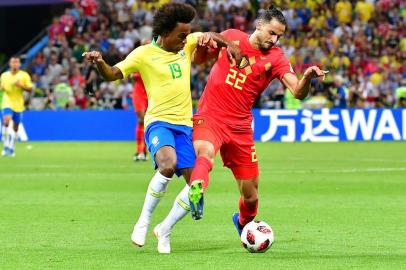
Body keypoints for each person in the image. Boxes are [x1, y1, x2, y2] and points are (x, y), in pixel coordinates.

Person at [82, 2, 240, 254]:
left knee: (196, 184)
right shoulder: (143, 54)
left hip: (185, 126)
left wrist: (228, 44)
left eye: (188, 34)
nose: (186, 39)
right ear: (165, 33)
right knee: (168, 164)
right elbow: (112, 73)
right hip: (158, 122)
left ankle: (165, 229)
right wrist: (100, 61)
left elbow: (211, 36)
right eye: (181, 35)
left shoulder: (186, 43)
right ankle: (143, 221)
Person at [186, 7, 327, 233]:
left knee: (251, 196)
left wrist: (308, 78)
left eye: (279, 36)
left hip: (241, 128)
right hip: (211, 116)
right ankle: (197, 190)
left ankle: (242, 223)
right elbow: (199, 60)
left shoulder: (277, 57)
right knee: (205, 152)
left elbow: (297, 92)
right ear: (259, 25)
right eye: (272, 33)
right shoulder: (231, 36)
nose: (274, 39)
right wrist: (204, 43)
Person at [1, 56, 33, 157]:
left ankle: (12, 147)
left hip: (18, 104)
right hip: (7, 102)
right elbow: (2, 87)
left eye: (17, 62)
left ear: (19, 64)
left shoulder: (24, 75)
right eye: (13, 62)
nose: (15, 64)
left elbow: (30, 89)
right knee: (6, 121)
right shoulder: (4, 75)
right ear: (10, 64)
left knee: (16, 127)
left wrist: (21, 86)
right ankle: (5, 146)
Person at [131, 72, 148, 161]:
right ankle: (139, 151)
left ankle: (144, 151)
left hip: (149, 93)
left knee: (147, 122)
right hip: (139, 94)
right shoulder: (138, 60)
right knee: (141, 120)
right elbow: (131, 76)